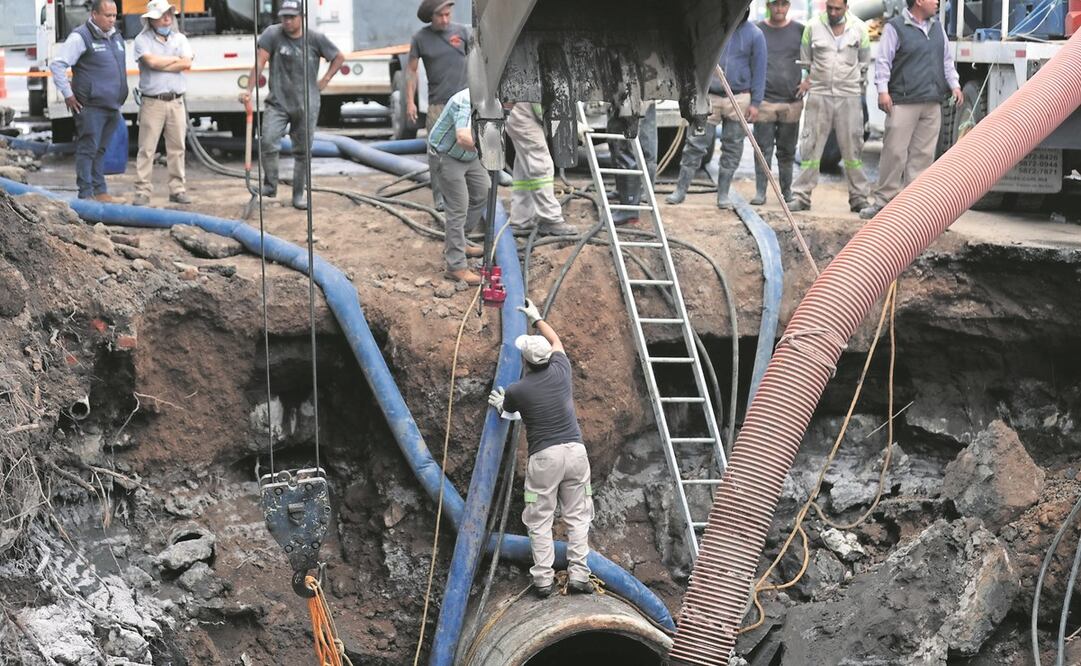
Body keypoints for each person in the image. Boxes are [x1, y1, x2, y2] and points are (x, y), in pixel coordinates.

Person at [488, 299, 594, 598]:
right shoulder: (562, 367)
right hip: (575, 453)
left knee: (540, 519)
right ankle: (579, 576)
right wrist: (537, 318)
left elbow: (508, 413)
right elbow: (556, 339)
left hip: (545, 459)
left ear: (525, 362)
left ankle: (544, 581)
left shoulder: (518, 390)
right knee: (578, 515)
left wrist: (500, 404)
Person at [859, 0, 963, 219]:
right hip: (903, 101)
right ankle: (883, 202)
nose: (938, 2)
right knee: (894, 152)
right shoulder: (895, 27)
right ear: (918, 1)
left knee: (922, 156)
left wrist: (954, 85)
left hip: (931, 102)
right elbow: (883, 62)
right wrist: (883, 91)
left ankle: (913, 207)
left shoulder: (937, 28)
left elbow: (946, 61)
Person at [239, 0, 344, 210]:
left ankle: (298, 195)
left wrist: (325, 80)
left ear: (301, 18)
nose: (287, 21)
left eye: (291, 17)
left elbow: (339, 57)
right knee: (268, 141)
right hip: (277, 102)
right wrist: (248, 90)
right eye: (284, 17)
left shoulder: (315, 39)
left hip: (306, 104)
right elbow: (260, 62)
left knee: (302, 151)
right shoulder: (272, 34)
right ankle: (270, 185)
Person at [667, 13, 766, 209]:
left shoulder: (755, 35)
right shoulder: (711, 30)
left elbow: (760, 70)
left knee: (732, 147)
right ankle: (681, 190)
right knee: (695, 143)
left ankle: (723, 194)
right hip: (709, 96)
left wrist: (756, 102)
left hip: (738, 97)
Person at [787, 0, 872, 213]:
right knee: (811, 146)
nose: (833, 12)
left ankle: (858, 198)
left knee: (852, 148)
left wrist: (856, 89)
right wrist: (808, 79)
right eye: (830, 8)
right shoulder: (812, 27)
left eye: (838, 8)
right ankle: (802, 196)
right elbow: (806, 60)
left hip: (849, 96)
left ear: (846, 7)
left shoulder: (860, 29)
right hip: (820, 94)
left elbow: (864, 62)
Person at [49, 0, 128, 204]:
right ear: (94, 15)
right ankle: (85, 193)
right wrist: (68, 94)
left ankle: (99, 190)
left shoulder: (115, 36)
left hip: (112, 105)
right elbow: (57, 65)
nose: (112, 19)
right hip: (91, 106)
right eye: (107, 15)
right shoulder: (81, 37)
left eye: (114, 15)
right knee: (88, 149)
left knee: (101, 149)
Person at [408, 0, 471, 212]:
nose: (445, 19)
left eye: (447, 14)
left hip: (464, 103)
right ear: (430, 17)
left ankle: (470, 192)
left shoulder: (462, 32)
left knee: (470, 146)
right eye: (440, 16)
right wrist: (410, 101)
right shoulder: (420, 39)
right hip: (438, 104)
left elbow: (477, 62)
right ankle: (440, 198)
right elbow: (411, 71)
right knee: (436, 152)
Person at [132, 0, 193, 207]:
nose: (167, 18)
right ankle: (142, 191)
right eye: (162, 15)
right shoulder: (142, 40)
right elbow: (151, 63)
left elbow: (186, 63)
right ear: (151, 19)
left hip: (176, 101)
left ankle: (177, 189)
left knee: (177, 147)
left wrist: (162, 63)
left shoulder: (180, 38)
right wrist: (174, 61)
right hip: (153, 102)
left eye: (169, 14)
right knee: (147, 148)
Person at [428, 88, 488, 285]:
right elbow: (463, 138)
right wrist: (489, 148)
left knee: (482, 192)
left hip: (471, 155)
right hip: (448, 155)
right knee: (458, 208)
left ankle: (460, 242)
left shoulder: (496, 99)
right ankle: (456, 267)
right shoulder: (466, 100)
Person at [752, 0, 804, 205]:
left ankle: (786, 193)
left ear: (788, 6)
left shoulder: (800, 31)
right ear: (768, 5)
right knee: (762, 150)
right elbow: (750, 60)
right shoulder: (758, 31)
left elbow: (814, 57)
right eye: (775, 4)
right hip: (765, 102)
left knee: (787, 151)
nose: (779, 9)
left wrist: (808, 82)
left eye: (783, 4)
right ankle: (760, 192)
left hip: (791, 103)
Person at [505, 103, 578, 236]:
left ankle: (521, 219)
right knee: (541, 165)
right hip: (522, 110)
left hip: (519, 109)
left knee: (525, 167)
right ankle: (551, 219)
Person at [606, 102, 658, 225]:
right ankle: (623, 194)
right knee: (617, 142)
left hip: (633, 97)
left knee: (625, 148)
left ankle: (629, 207)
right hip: (625, 96)